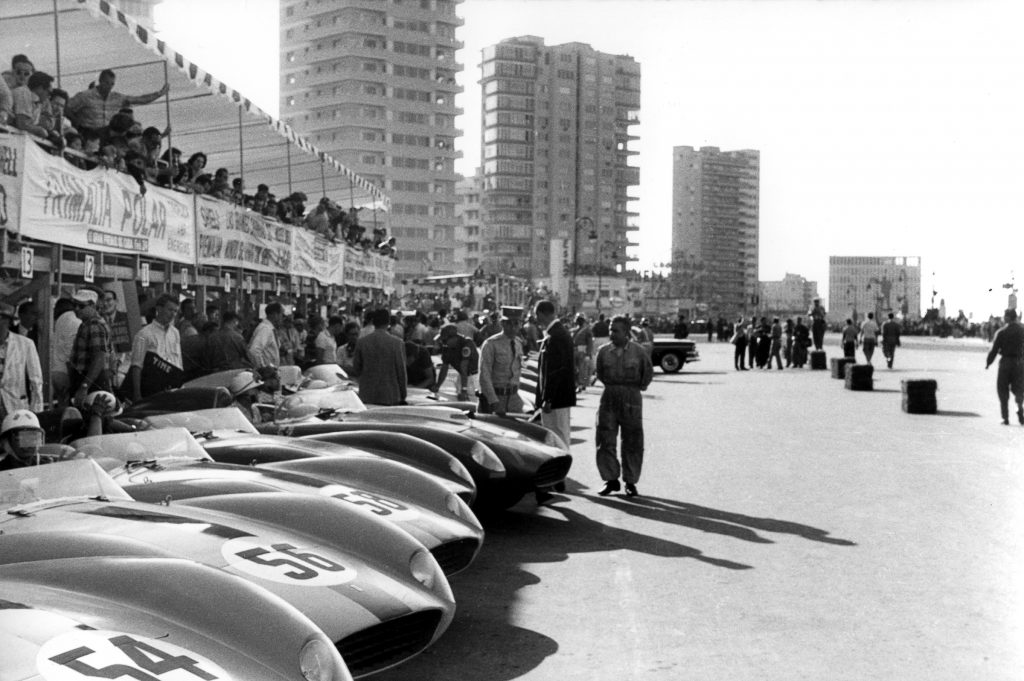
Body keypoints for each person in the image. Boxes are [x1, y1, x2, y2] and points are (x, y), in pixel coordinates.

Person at [593, 315, 654, 497]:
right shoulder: (603, 352)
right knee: (605, 440)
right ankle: (611, 480)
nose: (612, 334)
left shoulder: (638, 351)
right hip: (609, 397)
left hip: (631, 398)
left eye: (616, 331)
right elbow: (601, 374)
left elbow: (647, 374)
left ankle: (630, 481)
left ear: (627, 333)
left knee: (632, 441)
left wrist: (633, 388)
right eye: (611, 330)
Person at [65, 69, 169, 136]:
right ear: (100, 81)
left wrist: (159, 94)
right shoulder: (85, 96)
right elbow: (66, 107)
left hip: (108, 135)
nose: (109, 86)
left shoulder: (117, 98)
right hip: (88, 133)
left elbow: (139, 99)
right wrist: (75, 121)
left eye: (112, 84)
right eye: (107, 83)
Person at [534, 300, 576, 450]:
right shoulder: (557, 333)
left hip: (556, 398)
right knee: (555, 435)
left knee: (558, 435)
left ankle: (562, 467)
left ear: (542, 314)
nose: (536, 319)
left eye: (536, 315)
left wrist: (548, 398)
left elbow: (557, 370)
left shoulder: (556, 335)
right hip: (557, 397)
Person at [127, 294, 183, 402]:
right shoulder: (144, 334)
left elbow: (178, 362)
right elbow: (136, 366)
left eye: (175, 311)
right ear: (159, 309)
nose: (173, 314)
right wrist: (137, 395)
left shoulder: (175, 333)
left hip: (171, 388)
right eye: (170, 309)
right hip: (151, 388)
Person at [350, 308, 407, 406]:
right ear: (388, 322)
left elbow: (356, 369)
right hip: (390, 395)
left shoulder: (362, 342)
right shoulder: (397, 343)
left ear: (373, 322)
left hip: (367, 395)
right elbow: (401, 372)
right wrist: (403, 394)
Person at [68, 289, 114, 406]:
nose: (76, 309)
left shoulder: (94, 325)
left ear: (93, 306)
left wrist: (84, 386)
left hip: (92, 381)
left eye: (81, 306)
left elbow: (99, 358)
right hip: (91, 379)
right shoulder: (87, 324)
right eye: (74, 305)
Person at [478, 306, 525, 416]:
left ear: (520, 325)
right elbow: (484, 375)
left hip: (513, 400)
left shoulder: (518, 343)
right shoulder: (491, 344)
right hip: (495, 398)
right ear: (502, 323)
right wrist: (493, 400)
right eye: (508, 323)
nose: (512, 327)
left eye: (516, 323)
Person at [0, 303, 44, 420]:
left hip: (15, 405)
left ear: (8, 321)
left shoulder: (25, 344)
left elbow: (36, 380)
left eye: (2, 319)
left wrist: (36, 412)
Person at [985, 308, 1024, 426]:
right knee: (1019, 388)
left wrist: (988, 363)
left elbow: (994, 350)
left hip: (1005, 362)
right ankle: (1019, 408)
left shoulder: (1001, 332)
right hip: (1019, 362)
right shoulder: (1022, 331)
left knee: (1002, 389)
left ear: (1007, 317)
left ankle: (1005, 417)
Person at [432, 323, 479, 401]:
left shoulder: (466, 344)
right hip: (462, 377)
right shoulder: (447, 348)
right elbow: (444, 368)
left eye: (445, 340)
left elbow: (464, 368)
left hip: (473, 378)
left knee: (470, 401)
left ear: (454, 338)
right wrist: (437, 386)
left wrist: (464, 390)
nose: (444, 343)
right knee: (460, 399)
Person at [248, 302, 283, 369]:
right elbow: (254, 351)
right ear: (275, 314)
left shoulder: (270, 329)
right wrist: (263, 368)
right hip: (266, 374)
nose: (282, 318)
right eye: (281, 314)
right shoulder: (265, 329)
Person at [572, 314, 594, 391]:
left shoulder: (587, 331)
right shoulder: (574, 330)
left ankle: (581, 384)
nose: (579, 322)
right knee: (575, 369)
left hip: (582, 352)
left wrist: (588, 354)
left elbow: (590, 343)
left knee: (582, 369)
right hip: (574, 351)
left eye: (580, 321)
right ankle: (576, 383)